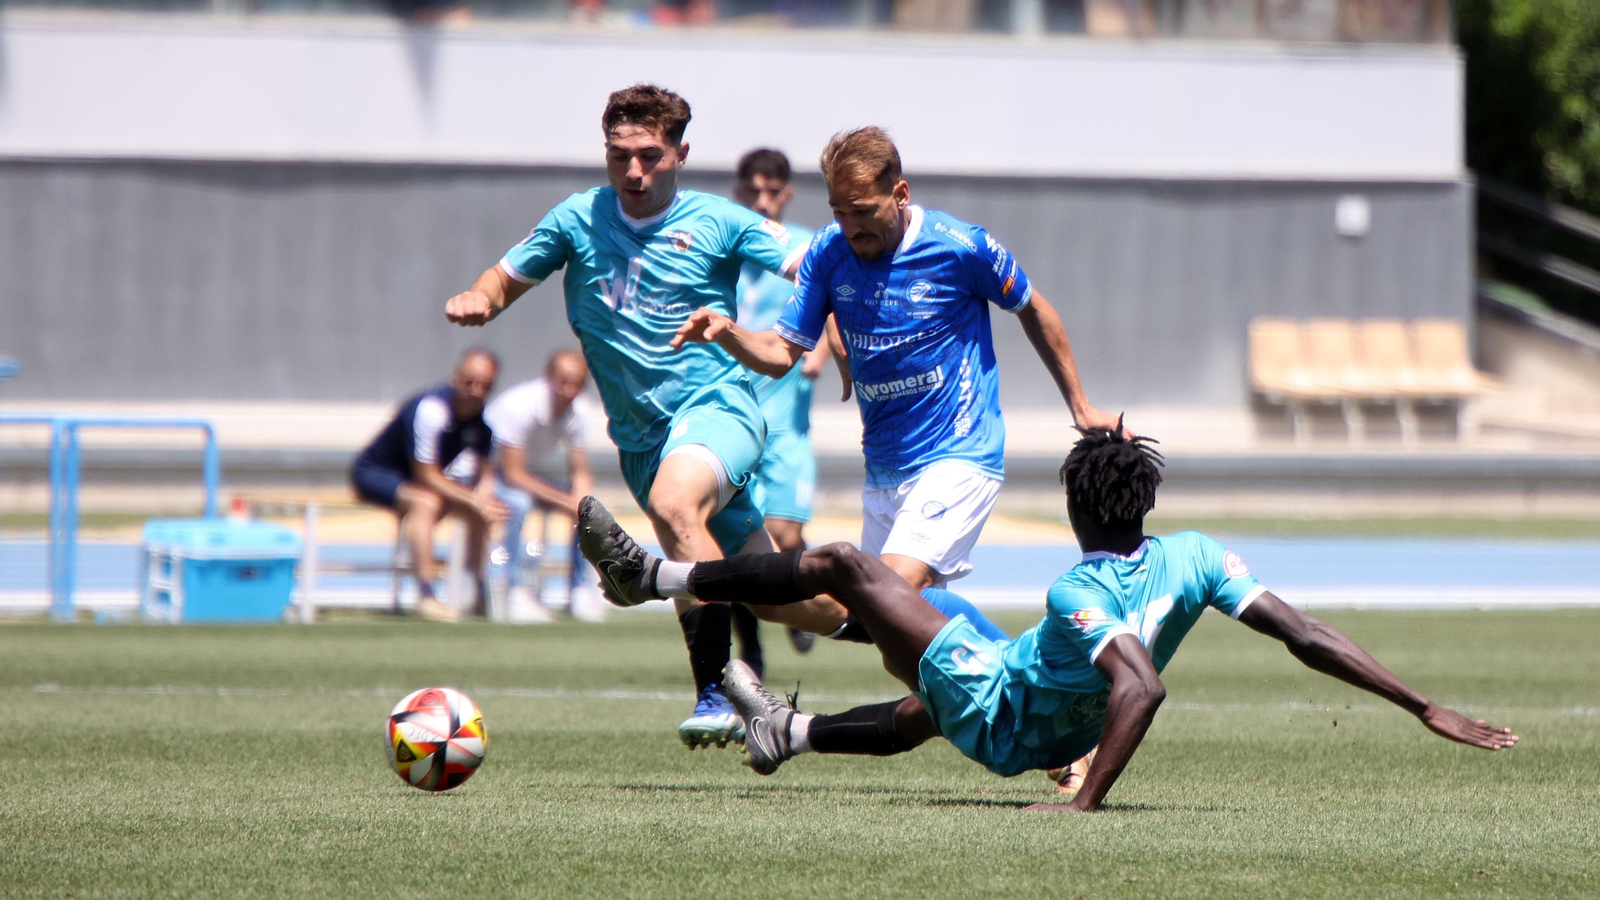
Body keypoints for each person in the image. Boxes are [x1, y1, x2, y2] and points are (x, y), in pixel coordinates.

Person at [575, 426, 1519, 810]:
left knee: (847, 568)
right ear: (1142, 504)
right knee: (937, 630)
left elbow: (1141, 688)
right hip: (1021, 684)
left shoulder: (1076, 594)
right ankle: (793, 731)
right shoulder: (1197, 556)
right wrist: (1421, 703)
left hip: (1001, 714)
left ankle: (655, 575)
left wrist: (1084, 803)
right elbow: (1306, 635)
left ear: (1075, 514)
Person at [444, 84, 833, 749]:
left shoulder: (721, 221)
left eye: (650, 156)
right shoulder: (577, 218)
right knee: (781, 598)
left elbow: (817, 266)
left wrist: (843, 327)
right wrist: (481, 298)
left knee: (676, 505)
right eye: (618, 155)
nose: (633, 171)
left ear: (681, 153)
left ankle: (720, 690)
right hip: (642, 439)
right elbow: (504, 278)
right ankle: (910, 627)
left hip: (719, 412)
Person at [674, 126, 1123, 625]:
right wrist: (729, 333)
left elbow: (1033, 309)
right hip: (885, 468)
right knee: (864, 620)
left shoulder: (959, 247)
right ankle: (982, 685)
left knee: (888, 592)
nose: (849, 227)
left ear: (900, 194)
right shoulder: (828, 252)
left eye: (862, 211)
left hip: (959, 454)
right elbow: (782, 352)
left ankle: (1012, 666)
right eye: (838, 212)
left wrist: (1080, 405)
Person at [727, 147, 828, 671]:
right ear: (738, 192)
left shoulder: (806, 248)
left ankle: (796, 609)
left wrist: (825, 352)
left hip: (787, 426)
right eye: (752, 191)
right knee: (742, 545)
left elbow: (833, 306)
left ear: (786, 194)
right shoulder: (723, 247)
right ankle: (751, 653)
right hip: (733, 419)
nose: (761, 201)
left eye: (772, 191)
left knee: (784, 538)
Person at [350, 348, 507, 623]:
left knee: (482, 511)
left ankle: (479, 591)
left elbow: (485, 471)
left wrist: (485, 499)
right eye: (469, 381)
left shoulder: (482, 423)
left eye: (483, 384)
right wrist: (473, 498)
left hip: (419, 481)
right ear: (456, 377)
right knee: (426, 502)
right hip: (376, 474)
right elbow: (426, 476)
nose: (475, 390)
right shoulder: (431, 409)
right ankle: (426, 595)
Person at [483, 349, 605, 624]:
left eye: (576, 383)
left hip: (524, 475)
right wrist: (567, 501)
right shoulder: (520, 405)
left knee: (588, 510)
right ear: (549, 377)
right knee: (518, 504)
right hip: (483, 474)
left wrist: (581, 501)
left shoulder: (581, 410)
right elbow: (513, 474)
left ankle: (578, 589)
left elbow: (580, 470)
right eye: (563, 381)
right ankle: (513, 589)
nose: (569, 389)